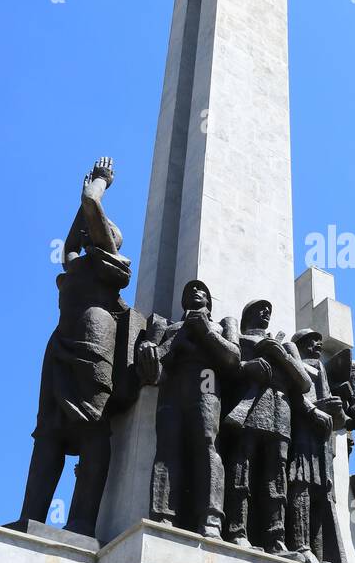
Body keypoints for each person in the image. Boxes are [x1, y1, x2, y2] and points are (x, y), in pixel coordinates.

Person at [15, 157, 131, 537]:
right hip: (60, 345)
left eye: (97, 231)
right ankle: (30, 516)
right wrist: (80, 210)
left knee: (92, 426)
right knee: (47, 432)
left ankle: (82, 520)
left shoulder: (109, 259)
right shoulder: (77, 263)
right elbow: (71, 240)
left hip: (94, 341)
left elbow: (91, 207)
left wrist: (98, 183)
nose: (88, 233)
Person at [139, 280, 240, 537]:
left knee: (207, 444)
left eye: (203, 290)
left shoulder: (220, 326)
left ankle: (211, 518)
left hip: (207, 384)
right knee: (167, 447)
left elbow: (233, 359)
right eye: (190, 290)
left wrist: (206, 333)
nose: (196, 292)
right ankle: (162, 515)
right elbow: (152, 372)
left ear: (209, 300)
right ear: (183, 301)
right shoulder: (168, 326)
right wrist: (165, 346)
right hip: (173, 388)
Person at [222, 300, 309, 555]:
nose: (266, 313)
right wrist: (249, 366)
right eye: (260, 309)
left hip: (280, 412)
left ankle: (276, 539)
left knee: (276, 478)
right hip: (249, 408)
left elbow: (303, 383)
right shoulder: (238, 338)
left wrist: (280, 354)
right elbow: (228, 367)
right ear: (247, 313)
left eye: (269, 310)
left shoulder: (284, 346)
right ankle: (238, 531)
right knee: (242, 471)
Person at [286, 330, 346, 563]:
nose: (318, 344)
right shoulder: (295, 365)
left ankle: (318, 553)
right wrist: (317, 407)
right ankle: (301, 546)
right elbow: (291, 395)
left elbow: (339, 420)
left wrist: (336, 409)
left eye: (319, 341)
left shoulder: (320, 369)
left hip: (321, 441)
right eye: (312, 341)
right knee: (300, 484)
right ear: (300, 344)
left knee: (320, 493)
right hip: (299, 434)